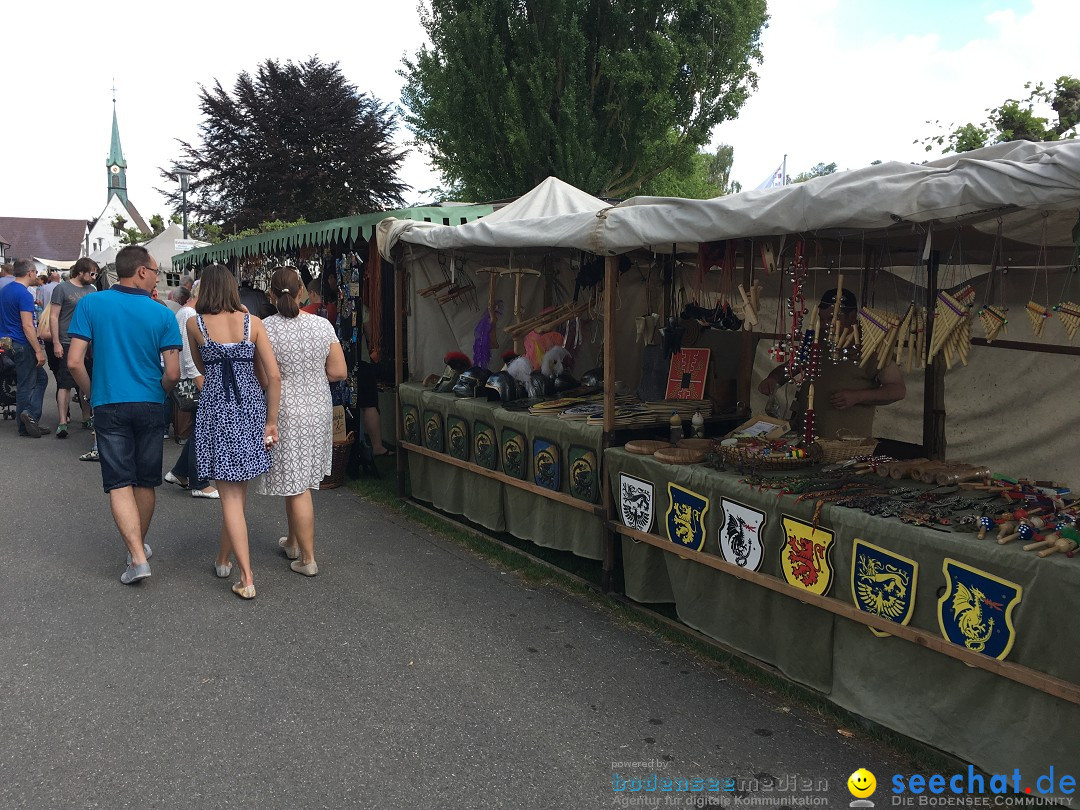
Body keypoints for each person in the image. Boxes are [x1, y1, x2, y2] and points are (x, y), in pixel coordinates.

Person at [66, 246, 182, 585]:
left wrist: (92, 392)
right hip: (149, 401)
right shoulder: (161, 313)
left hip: (108, 402)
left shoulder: (91, 303)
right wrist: (158, 392)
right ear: (142, 271)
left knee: (118, 481)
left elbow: (74, 361)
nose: (158, 276)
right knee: (146, 480)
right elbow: (173, 373)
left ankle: (136, 556)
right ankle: (139, 548)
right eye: (156, 270)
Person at [187, 264, 281, 599]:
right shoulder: (253, 323)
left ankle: (246, 576)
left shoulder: (194, 324)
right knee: (237, 493)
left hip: (216, 408)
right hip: (251, 407)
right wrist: (271, 421)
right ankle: (224, 559)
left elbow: (200, 366)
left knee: (228, 495)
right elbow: (273, 376)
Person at [257, 266, 347, 576]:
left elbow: (262, 376)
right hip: (317, 406)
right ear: (302, 292)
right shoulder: (322, 326)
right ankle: (293, 542)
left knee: (296, 484)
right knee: (299, 478)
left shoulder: (264, 328)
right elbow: (338, 372)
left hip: (283, 408)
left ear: (271, 293)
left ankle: (307, 558)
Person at [758, 288, 905, 440]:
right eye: (821, 319)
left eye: (831, 319)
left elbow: (897, 390)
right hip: (807, 438)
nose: (824, 325)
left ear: (852, 317)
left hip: (847, 443)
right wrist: (774, 379)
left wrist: (858, 396)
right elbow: (792, 367)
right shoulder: (817, 340)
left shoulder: (872, 347)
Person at [163, 280, 218, 499]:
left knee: (199, 430)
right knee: (202, 431)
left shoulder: (189, 313)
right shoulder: (189, 315)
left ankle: (180, 472)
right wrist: (199, 380)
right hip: (192, 379)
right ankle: (199, 481)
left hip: (192, 377)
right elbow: (187, 353)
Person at [50, 258, 98, 438]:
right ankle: (62, 421)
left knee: (86, 381)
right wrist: (56, 342)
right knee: (65, 383)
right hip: (68, 340)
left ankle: (87, 416)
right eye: (92, 273)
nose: (94, 277)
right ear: (81, 272)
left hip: (89, 343)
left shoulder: (92, 290)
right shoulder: (61, 288)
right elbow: (54, 317)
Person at [0, 259, 48, 436]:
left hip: (6, 342)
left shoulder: (5, 290)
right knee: (27, 383)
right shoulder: (24, 294)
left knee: (38, 379)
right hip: (21, 342)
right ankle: (27, 421)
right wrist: (38, 350)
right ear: (29, 272)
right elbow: (28, 325)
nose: (37, 275)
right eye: (35, 272)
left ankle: (30, 418)